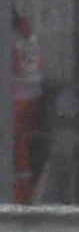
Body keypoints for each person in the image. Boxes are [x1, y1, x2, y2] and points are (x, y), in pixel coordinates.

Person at [11, 13, 42, 204]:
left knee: (18, 147)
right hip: (31, 96)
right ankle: (23, 194)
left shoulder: (13, 39)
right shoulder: (28, 36)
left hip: (18, 99)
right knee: (23, 147)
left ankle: (20, 196)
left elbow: (13, 67)